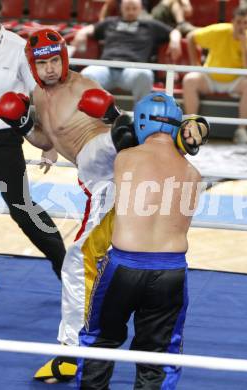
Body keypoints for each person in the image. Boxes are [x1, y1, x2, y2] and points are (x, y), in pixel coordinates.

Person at [0, 28, 209, 382]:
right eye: (42, 64)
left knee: (78, 264)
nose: (49, 69)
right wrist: (22, 125)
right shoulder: (37, 95)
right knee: (84, 261)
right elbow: (45, 139)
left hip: (107, 163)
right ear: (33, 67)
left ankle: (72, 354)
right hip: (97, 180)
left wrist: (113, 117)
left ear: (64, 59)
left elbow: (126, 129)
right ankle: (78, 351)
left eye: (54, 61)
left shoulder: (81, 87)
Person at [75, 92, 209, 389]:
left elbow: (112, 148)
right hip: (171, 272)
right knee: (160, 353)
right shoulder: (194, 174)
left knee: (100, 339)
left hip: (123, 267)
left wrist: (118, 121)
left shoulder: (126, 158)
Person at [0, 0, 66, 292]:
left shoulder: (17, 48)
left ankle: (68, 270)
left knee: (22, 209)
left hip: (2, 140)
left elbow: (40, 95)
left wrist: (49, 141)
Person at [72, 0, 183, 103]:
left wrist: (175, 40)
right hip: (106, 67)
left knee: (145, 75)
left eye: (134, 8)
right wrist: (81, 33)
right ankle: (90, 117)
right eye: (127, 8)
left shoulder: (150, 25)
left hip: (132, 69)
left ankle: (139, 114)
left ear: (140, 9)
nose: (130, 11)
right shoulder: (110, 22)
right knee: (87, 75)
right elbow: (91, 28)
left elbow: (174, 31)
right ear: (121, 8)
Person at [182, 6, 247, 144]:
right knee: (189, 80)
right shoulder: (219, 30)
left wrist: (244, 46)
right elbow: (191, 37)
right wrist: (195, 64)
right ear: (232, 22)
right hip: (210, 77)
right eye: (238, 22)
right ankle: (192, 126)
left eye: (245, 23)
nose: (241, 26)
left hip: (235, 82)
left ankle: (241, 131)